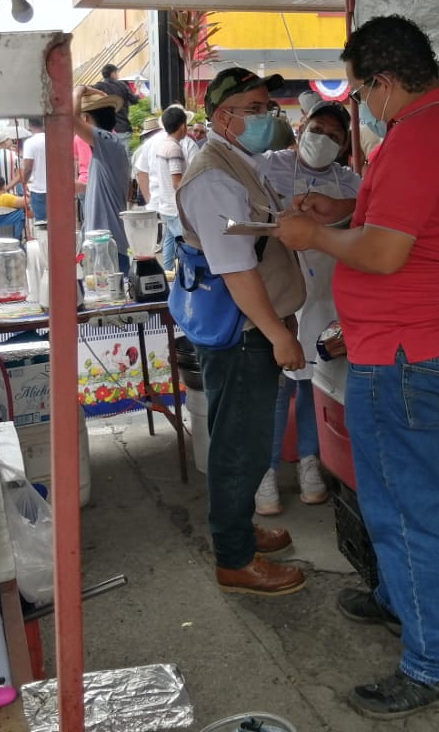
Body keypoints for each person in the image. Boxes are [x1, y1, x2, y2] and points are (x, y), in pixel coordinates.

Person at [275, 15, 439, 719]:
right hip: (426, 340)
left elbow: (385, 252)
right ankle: (403, 600)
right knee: (403, 496)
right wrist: (344, 207)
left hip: (405, 349)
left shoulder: (421, 136)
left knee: (408, 509)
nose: (362, 105)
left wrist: (315, 235)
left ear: (386, 80)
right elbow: (411, 221)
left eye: (362, 91)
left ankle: (433, 665)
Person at [174, 66, 307, 596]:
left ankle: (240, 530)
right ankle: (234, 559)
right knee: (239, 445)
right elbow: (235, 270)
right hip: (245, 331)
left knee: (245, 438)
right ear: (221, 117)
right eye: (253, 110)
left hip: (251, 327)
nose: (266, 117)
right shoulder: (214, 178)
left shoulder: (240, 163)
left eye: (267, 107)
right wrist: (278, 335)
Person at [252, 101, 362, 516]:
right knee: (278, 382)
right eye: (317, 130)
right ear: (300, 129)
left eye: (333, 136)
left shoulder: (349, 183)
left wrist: (337, 209)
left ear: (344, 146)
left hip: (329, 295)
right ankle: (266, 469)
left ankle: (310, 460)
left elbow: (368, 219)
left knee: (315, 380)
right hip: (281, 288)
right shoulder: (268, 166)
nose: (323, 140)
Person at [72, 86, 132, 273]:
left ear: (86, 119)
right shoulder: (107, 149)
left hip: (108, 248)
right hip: (103, 246)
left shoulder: (107, 141)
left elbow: (71, 119)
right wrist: (83, 187)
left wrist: (79, 91)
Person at [149, 105, 190, 274]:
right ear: (182, 126)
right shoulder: (174, 148)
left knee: (169, 243)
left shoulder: (163, 145)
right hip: (175, 207)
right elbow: (176, 182)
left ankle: (168, 275)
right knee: (186, 246)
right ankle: (184, 277)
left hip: (165, 205)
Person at [93, 63, 142, 153]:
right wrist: (137, 89)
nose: (118, 75)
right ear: (113, 73)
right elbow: (135, 100)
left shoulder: (99, 86)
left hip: (106, 131)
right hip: (123, 129)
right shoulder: (121, 85)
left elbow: (85, 90)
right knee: (126, 157)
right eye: (117, 73)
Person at [131, 115, 162, 207]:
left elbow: (134, 177)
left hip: (144, 194)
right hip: (157, 193)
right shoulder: (165, 146)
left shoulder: (138, 152)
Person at [20, 117, 47, 222]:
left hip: (38, 189)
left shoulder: (30, 142)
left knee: (41, 223)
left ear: (30, 126)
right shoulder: (53, 139)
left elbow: (28, 167)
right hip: (55, 189)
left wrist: (24, 182)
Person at [0, 175, 27, 240]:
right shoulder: (6, 198)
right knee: (22, 211)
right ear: (4, 186)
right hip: (12, 232)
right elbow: (26, 201)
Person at [0, 128, 24, 195]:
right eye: (9, 139)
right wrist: (5, 189)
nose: (11, 141)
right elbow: (20, 176)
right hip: (11, 194)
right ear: (5, 141)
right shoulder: (13, 155)